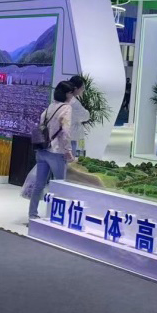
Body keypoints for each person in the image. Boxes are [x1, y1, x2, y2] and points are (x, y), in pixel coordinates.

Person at [28, 81, 76, 220]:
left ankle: (32, 215)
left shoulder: (50, 107)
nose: (72, 96)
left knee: (39, 185)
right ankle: (57, 216)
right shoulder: (66, 108)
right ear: (68, 94)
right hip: (56, 151)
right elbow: (66, 131)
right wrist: (68, 150)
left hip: (42, 149)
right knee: (60, 185)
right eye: (72, 93)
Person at [68, 75, 91, 157]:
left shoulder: (61, 99)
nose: (83, 89)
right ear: (76, 88)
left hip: (61, 137)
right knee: (70, 161)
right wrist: (87, 111)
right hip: (71, 137)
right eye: (82, 87)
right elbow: (85, 116)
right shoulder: (74, 102)